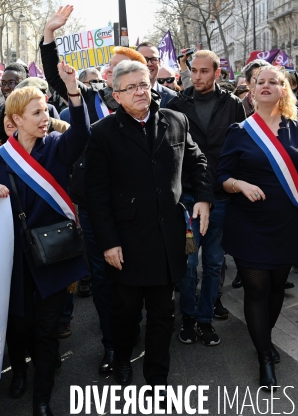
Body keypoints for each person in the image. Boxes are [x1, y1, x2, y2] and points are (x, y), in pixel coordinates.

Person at [84, 60, 213, 392]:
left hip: (167, 238)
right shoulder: (103, 133)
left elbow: (197, 159)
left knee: (162, 315)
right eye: (131, 87)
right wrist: (109, 243)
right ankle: (123, 358)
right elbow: (95, 197)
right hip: (126, 243)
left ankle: (157, 380)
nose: (140, 91)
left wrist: (203, 197)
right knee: (126, 313)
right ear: (117, 95)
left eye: (143, 84)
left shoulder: (175, 121)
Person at [41, 4, 147, 374]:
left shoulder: (149, 103)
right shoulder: (87, 98)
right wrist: (49, 35)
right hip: (95, 207)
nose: (112, 71)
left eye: (123, 67)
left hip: (138, 208)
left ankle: (131, 330)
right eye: (111, 66)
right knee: (103, 278)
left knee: (136, 276)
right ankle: (111, 343)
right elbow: (58, 80)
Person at [0, 61, 90, 416]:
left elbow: (82, 135)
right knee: (18, 323)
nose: (44, 118)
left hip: (52, 255)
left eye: (45, 111)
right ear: (14, 120)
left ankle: (42, 397)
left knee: (46, 330)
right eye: (36, 113)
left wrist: (73, 91)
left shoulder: (57, 147)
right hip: (12, 257)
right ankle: (19, 371)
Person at [217, 66, 298, 389]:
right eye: (259, 82)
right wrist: (240, 185)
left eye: (273, 82)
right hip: (248, 223)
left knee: (278, 286)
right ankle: (264, 354)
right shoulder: (240, 130)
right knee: (256, 288)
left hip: (285, 222)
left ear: (284, 89)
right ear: (250, 90)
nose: (266, 86)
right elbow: (221, 176)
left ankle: (266, 338)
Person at [167, 50, 246, 345]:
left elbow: (242, 146)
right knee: (188, 262)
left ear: (217, 73)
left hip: (222, 196)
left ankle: (205, 318)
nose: (197, 76)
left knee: (214, 262)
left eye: (203, 71)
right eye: (194, 71)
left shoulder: (233, 104)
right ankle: (187, 315)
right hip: (187, 196)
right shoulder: (176, 104)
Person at [137, 42, 177, 108]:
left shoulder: (173, 97)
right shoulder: (126, 96)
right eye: (144, 59)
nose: (149, 64)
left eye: (154, 59)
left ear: (159, 62)